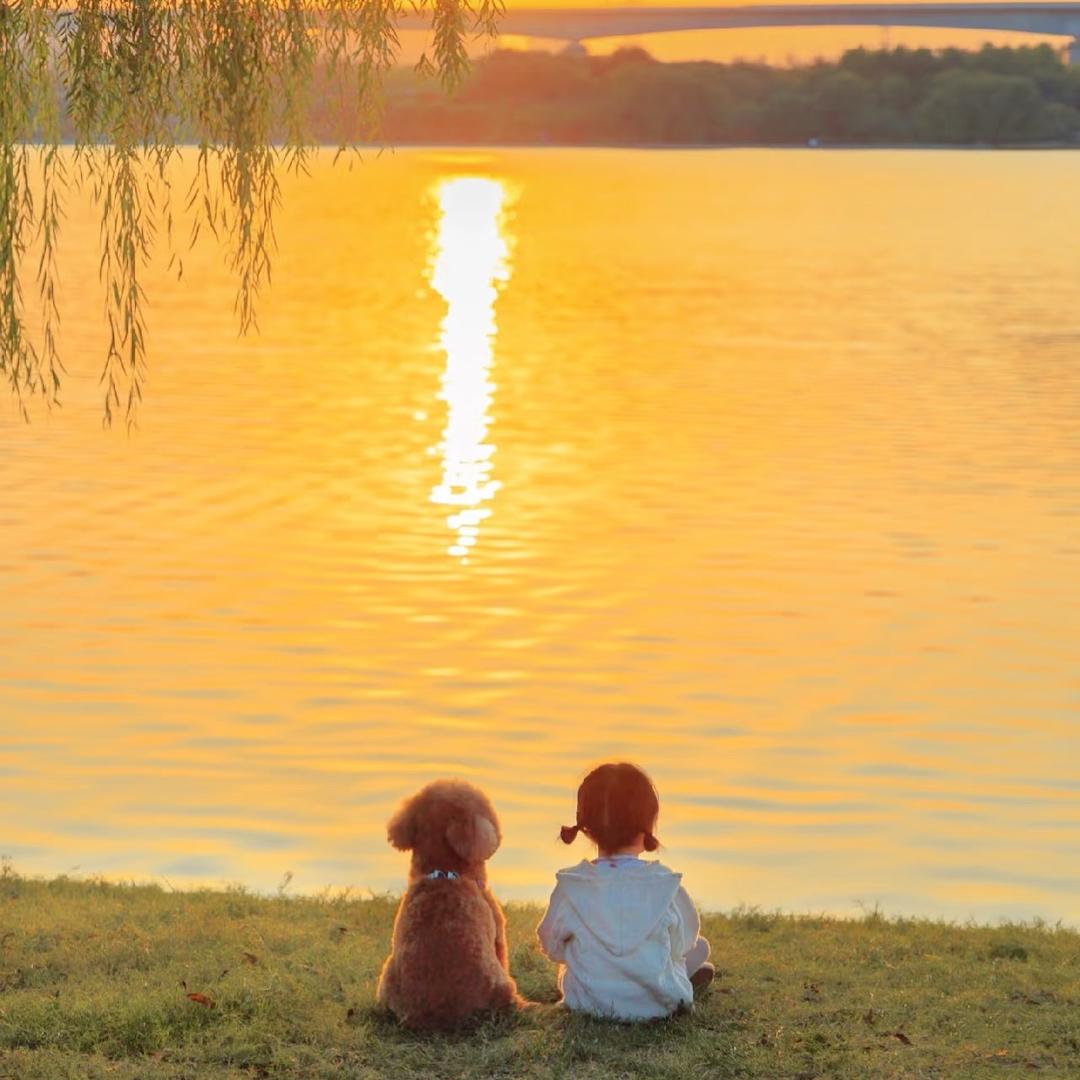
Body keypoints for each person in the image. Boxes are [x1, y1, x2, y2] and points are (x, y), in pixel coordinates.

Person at [536, 762, 714, 1021]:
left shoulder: (572, 884)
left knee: (574, 962)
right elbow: (684, 941)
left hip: (586, 1003)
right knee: (700, 947)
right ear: (648, 825)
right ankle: (668, 986)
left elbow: (550, 943)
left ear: (586, 828)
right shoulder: (664, 883)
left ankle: (607, 980)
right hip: (659, 1006)